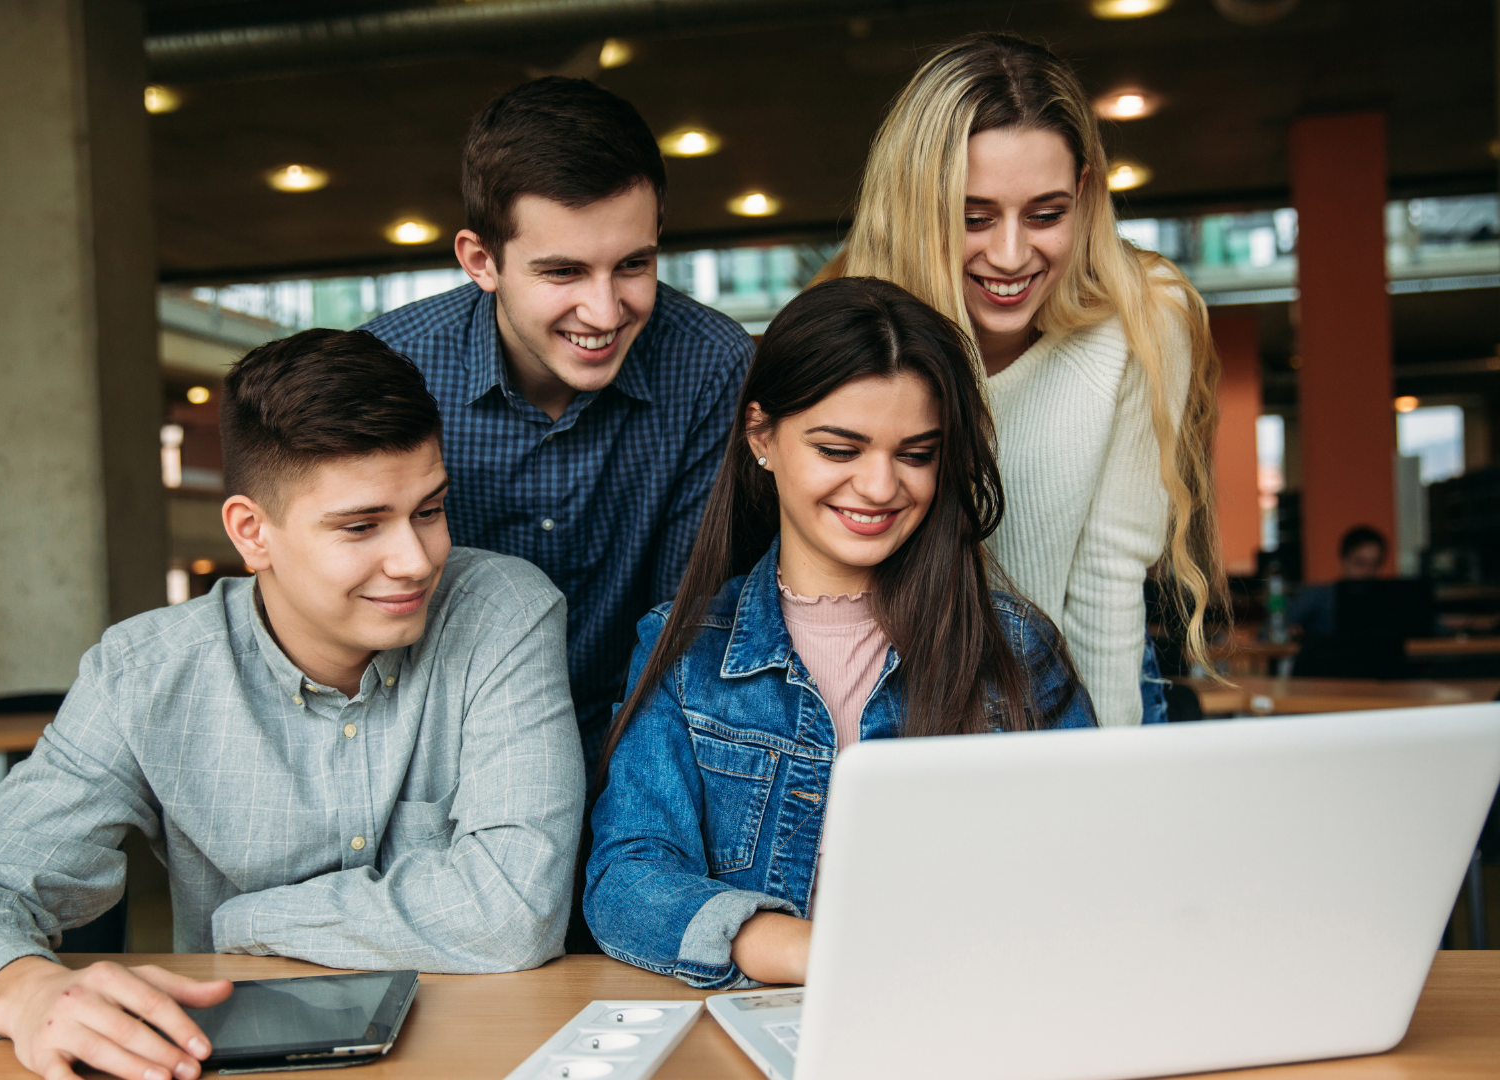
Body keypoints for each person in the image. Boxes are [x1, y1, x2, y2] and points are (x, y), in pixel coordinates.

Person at [0, 329, 584, 1080]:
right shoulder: (144, 672)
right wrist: (25, 992)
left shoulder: (503, 612)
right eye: (361, 526)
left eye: (429, 509)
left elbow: (515, 909)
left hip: (475, 1055)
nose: (416, 560)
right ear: (252, 533)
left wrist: (244, 919)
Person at [585, 278, 1093, 990]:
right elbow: (626, 879)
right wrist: (800, 948)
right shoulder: (685, 649)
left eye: (915, 454)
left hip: (973, 1010)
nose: (881, 487)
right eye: (839, 449)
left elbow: (1091, 869)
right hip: (774, 1019)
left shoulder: (1015, 648)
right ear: (762, 436)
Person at [815, 33, 1224, 725]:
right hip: (905, 698)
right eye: (973, 218)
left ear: (1084, 194)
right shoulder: (857, 325)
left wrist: (1102, 772)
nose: (1010, 256)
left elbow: (1108, 584)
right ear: (916, 204)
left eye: (1046, 214)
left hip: (1086, 692)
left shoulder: (1145, 315)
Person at [361, 77, 753, 767]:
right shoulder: (387, 367)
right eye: (564, 272)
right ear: (481, 261)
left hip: (637, 749)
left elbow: (688, 627)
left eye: (633, 265)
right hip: (434, 756)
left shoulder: (712, 365)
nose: (604, 311)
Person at [1289, 524, 1389, 641]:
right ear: (1344, 561)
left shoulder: (1387, 600)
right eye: (1360, 563)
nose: (1368, 571)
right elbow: (1282, 626)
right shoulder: (1319, 596)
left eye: (1375, 564)